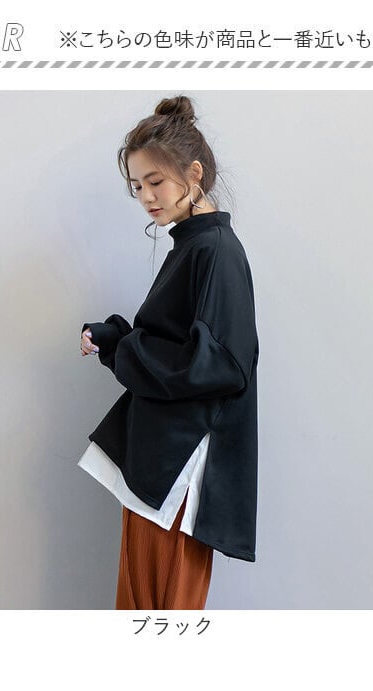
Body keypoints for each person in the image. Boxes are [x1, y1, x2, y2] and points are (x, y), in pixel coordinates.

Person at [78, 95, 259, 610]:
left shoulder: (215, 250)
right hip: (161, 458)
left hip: (180, 466)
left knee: (162, 607)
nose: (146, 198)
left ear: (193, 174)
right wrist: (116, 339)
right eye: (137, 186)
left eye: (155, 182)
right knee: (144, 606)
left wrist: (123, 346)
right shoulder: (192, 245)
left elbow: (220, 364)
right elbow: (178, 343)